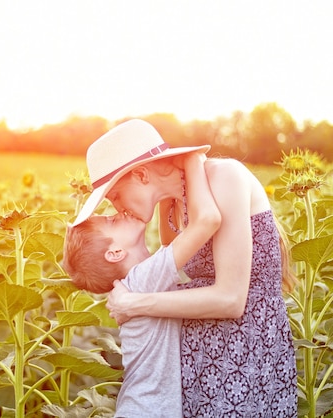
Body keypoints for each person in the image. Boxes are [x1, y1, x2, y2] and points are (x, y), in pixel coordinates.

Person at [72, 119, 298, 417]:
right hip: (196, 355)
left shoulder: (224, 177)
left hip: (247, 347)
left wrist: (135, 303)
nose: (117, 209)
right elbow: (172, 268)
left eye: (115, 196)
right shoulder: (169, 204)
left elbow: (231, 300)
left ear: (140, 174)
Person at [64, 151, 220, 417]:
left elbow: (169, 243)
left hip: (141, 406)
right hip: (150, 409)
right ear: (115, 253)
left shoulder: (136, 281)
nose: (118, 212)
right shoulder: (142, 279)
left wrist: (160, 192)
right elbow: (207, 221)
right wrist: (191, 159)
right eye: (112, 221)